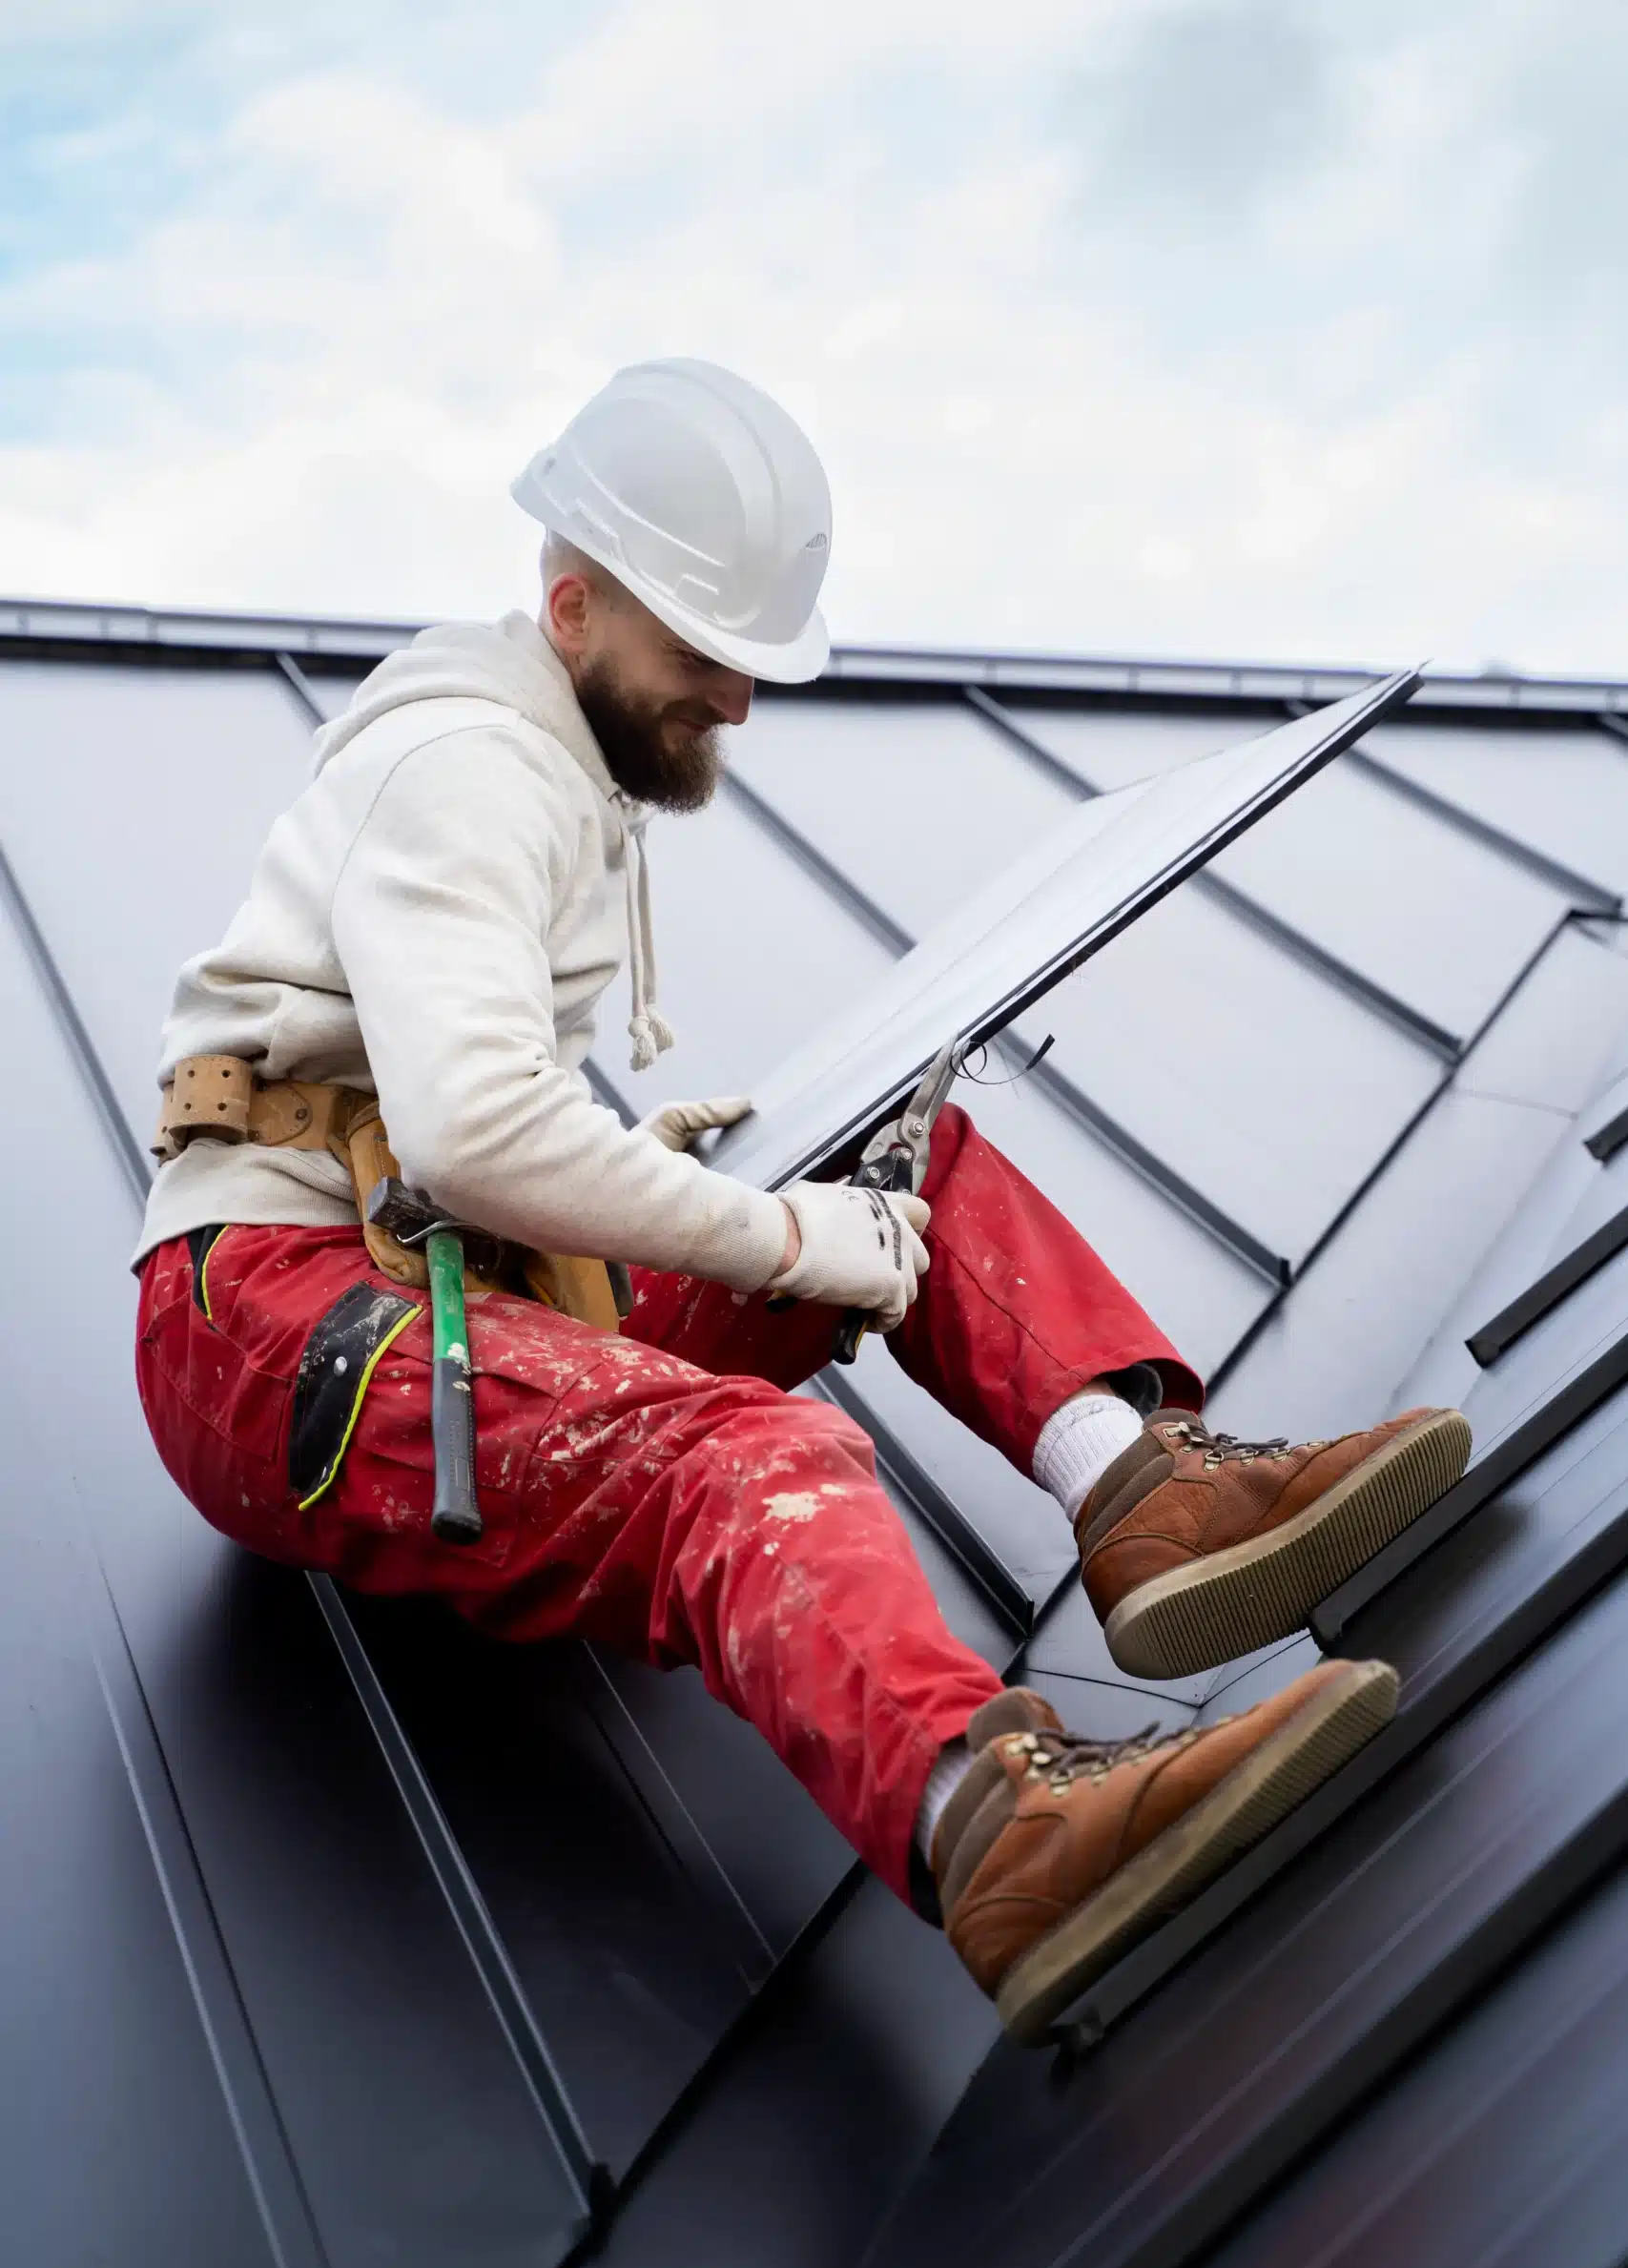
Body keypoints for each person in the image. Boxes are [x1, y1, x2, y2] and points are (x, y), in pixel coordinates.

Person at [134, 358, 1470, 2042]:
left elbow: (451, 1137)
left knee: (896, 1155)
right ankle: (997, 1828)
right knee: (740, 1455)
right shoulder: (469, 769)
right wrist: (776, 1236)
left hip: (431, 1281)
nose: (739, 702)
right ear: (571, 605)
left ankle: (1139, 1489)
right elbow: (473, 1135)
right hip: (273, 1326)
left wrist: (701, 1182)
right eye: (704, 653)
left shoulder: (546, 768)